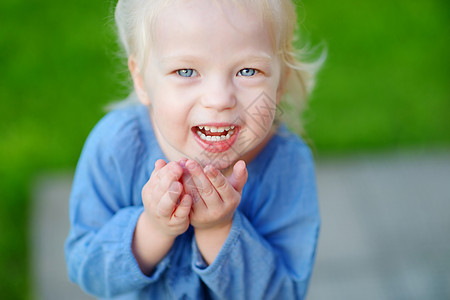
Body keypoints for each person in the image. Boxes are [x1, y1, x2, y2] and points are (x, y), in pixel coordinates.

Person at [65, 0, 322, 298]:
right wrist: (152, 229)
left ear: (281, 81)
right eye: (186, 71)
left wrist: (218, 229)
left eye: (248, 70)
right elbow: (87, 271)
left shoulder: (287, 164)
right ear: (141, 79)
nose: (219, 98)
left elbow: (284, 294)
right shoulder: (116, 146)